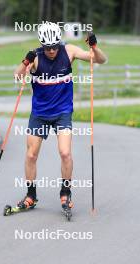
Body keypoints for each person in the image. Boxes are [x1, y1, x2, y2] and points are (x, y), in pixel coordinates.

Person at [14, 21, 107, 211]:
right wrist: (25, 62)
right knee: (31, 155)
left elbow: (99, 60)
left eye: (54, 46)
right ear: (42, 44)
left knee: (65, 153)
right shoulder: (36, 57)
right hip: (39, 113)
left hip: (62, 112)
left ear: (59, 42)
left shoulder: (69, 51)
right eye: (47, 47)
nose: (51, 51)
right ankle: (31, 196)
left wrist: (95, 48)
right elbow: (17, 77)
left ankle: (65, 193)